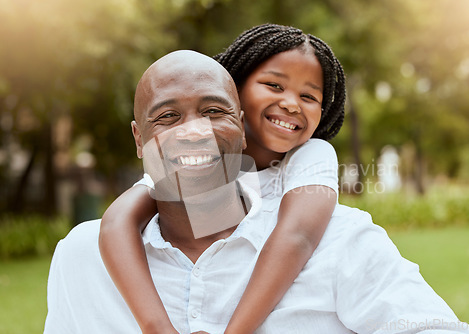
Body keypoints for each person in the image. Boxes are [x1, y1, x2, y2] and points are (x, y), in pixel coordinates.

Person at [44, 49, 469, 334]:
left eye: (214, 111)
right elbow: (127, 213)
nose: (195, 132)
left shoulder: (338, 236)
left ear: (240, 124)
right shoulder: (80, 257)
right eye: (168, 117)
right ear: (139, 139)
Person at [99, 23, 344, 334]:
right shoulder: (186, 163)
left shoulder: (311, 155)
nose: (291, 103)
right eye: (274, 85)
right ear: (235, 90)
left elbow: (299, 236)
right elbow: (118, 221)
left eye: (309, 96)